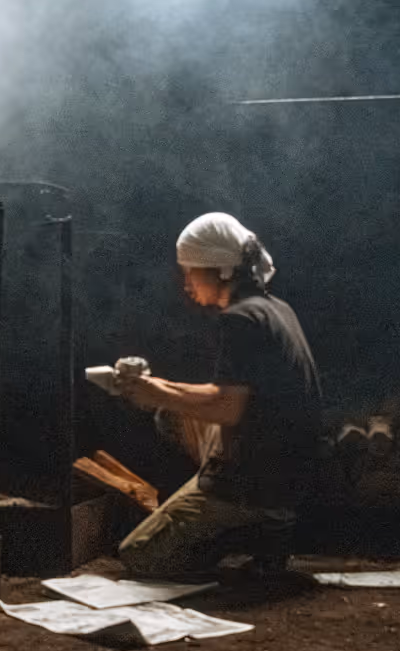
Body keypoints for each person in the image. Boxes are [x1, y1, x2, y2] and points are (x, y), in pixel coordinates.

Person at [111, 212, 323, 579]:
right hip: (288, 468)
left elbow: (227, 407)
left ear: (220, 270)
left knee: (141, 554)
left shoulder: (241, 319)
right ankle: (248, 519)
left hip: (257, 481)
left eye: (191, 272)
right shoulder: (276, 309)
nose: (186, 284)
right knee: (170, 415)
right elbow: (236, 396)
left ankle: (243, 529)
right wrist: (154, 388)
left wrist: (155, 391)